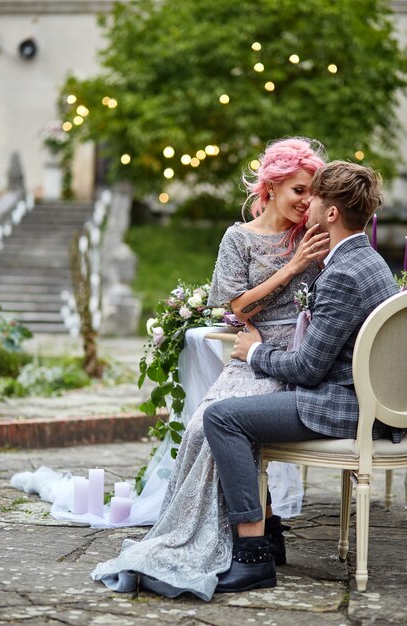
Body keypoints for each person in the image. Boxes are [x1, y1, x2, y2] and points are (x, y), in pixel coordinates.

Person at [91, 137, 330, 601]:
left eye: (311, 192)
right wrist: (292, 267)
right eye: (299, 190)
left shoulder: (313, 233)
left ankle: (256, 542)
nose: (306, 201)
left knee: (228, 425)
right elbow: (235, 304)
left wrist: (306, 257)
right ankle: (216, 532)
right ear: (273, 185)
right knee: (200, 424)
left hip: (294, 358)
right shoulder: (238, 238)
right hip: (250, 349)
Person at [203, 160, 400, 594]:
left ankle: (252, 555)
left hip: (344, 407)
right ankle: (269, 535)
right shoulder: (372, 261)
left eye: (316, 198)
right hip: (368, 402)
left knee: (222, 417)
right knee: (243, 411)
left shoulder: (343, 274)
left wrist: (253, 350)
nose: (306, 204)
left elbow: (307, 370)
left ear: (331, 214)